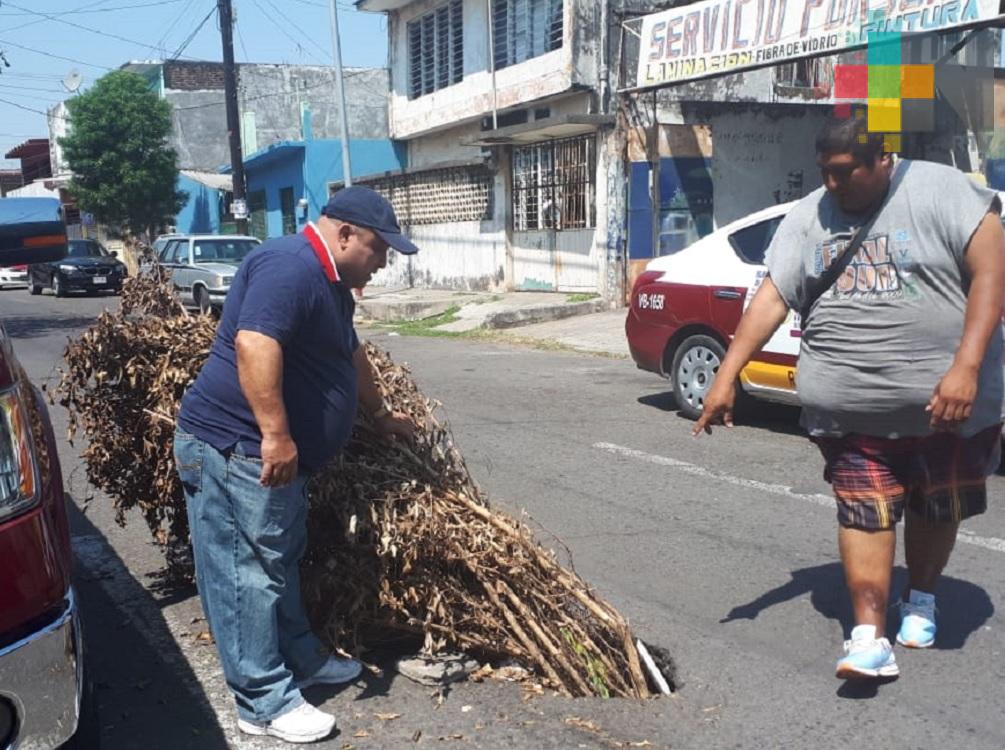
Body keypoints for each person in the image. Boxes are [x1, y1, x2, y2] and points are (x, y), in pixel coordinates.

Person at [693, 115, 1005, 681]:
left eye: (844, 173)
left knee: (936, 506)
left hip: (949, 409)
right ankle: (868, 636)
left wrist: (966, 366)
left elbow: (991, 272)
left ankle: (924, 597)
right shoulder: (809, 215)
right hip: (849, 409)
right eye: (825, 173)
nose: (832, 186)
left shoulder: (944, 191)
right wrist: (726, 377)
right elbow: (771, 298)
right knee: (865, 510)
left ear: (881, 160)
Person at [173, 186, 419, 742]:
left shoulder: (330, 281)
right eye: (380, 249)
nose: (383, 262)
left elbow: (348, 352)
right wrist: (276, 435)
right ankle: (261, 701)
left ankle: (300, 659)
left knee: (278, 559)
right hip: (236, 449)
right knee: (246, 571)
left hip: (267, 456)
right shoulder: (290, 267)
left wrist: (378, 413)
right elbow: (255, 345)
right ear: (346, 234)